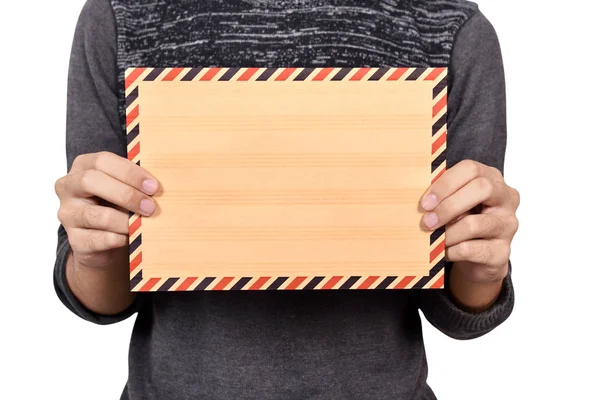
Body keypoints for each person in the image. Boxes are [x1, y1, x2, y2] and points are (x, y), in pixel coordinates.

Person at [53, 0, 520, 398]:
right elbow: (103, 296)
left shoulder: (448, 27)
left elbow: (458, 310)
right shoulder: (121, 16)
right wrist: (94, 254)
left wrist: (483, 266)